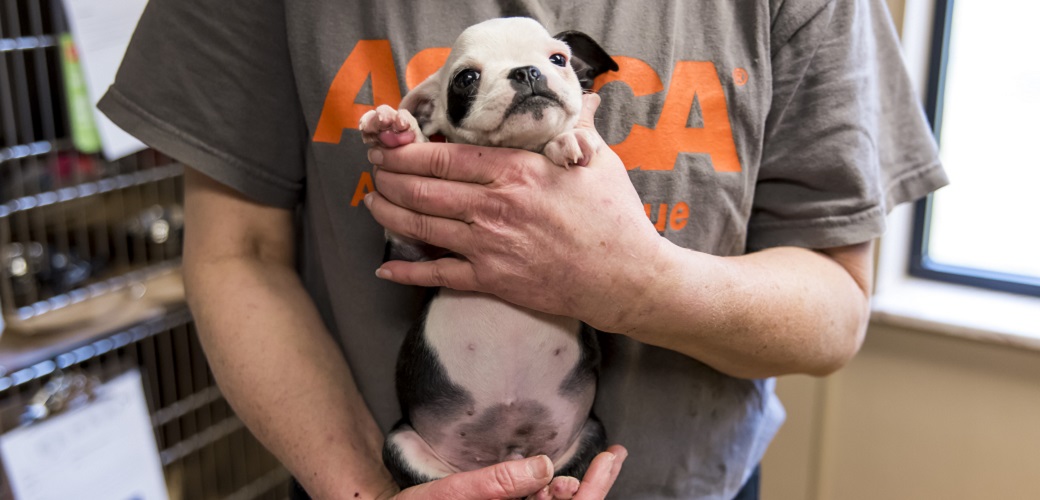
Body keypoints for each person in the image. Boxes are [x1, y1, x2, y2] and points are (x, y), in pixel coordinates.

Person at [99, 0, 948, 498]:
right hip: (373, 472)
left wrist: (634, 281)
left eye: (550, 66)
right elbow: (235, 251)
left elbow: (836, 307)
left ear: (578, 74)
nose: (529, 83)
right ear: (432, 107)